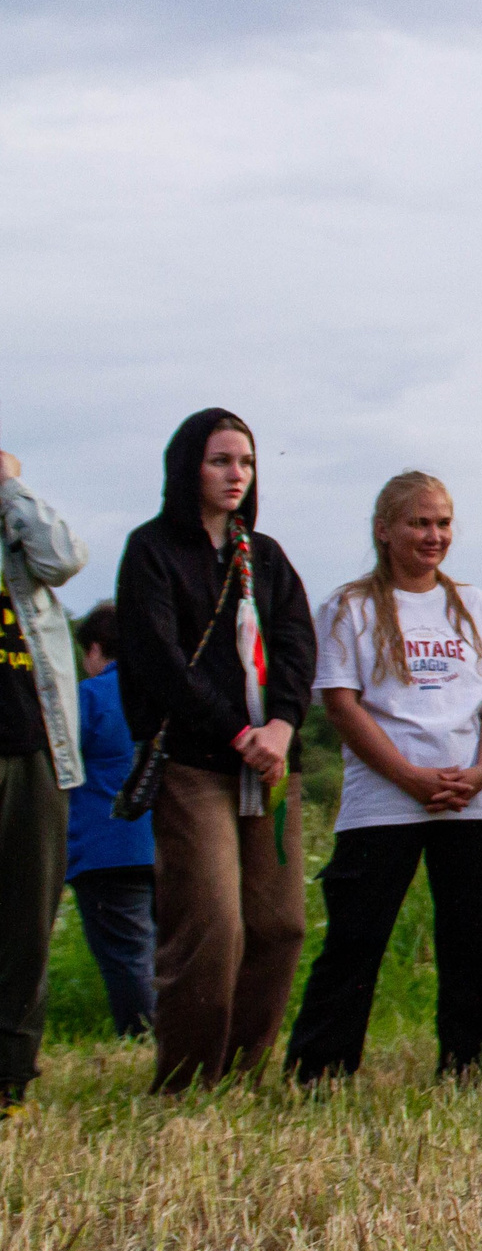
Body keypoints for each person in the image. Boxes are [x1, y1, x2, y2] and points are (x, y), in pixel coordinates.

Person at [285, 474, 482, 1083]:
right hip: (384, 800)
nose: (433, 535)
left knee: (471, 941)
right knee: (356, 939)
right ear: (384, 530)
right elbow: (341, 704)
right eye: (419, 523)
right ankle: (320, 1071)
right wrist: (408, 776)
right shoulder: (349, 607)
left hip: (471, 799)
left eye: (442, 523)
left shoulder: (474, 605)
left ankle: (471, 1066)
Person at [115, 409, 316, 1092]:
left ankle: (240, 1075)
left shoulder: (266, 556)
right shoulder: (151, 550)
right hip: (195, 763)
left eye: (247, 462)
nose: (237, 474)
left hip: (271, 764)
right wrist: (236, 730)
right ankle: (187, 1082)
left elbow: (296, 645)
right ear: (188, 467)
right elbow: (158, 658)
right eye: (220, 460)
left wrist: (281, 727)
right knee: (212, 924)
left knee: (280, 924)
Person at [0, 447, 90, 1114]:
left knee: (26, 921)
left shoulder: (16, 529)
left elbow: (65, 558)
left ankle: (9, 1077)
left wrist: (10, 488)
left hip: (33, 745)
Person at [67, 604, 152, 1040]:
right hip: (166, 842)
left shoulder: (87, 697)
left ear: (96, 649)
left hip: (105, 848)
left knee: (126, 955)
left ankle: (143, 1039)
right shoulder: (159, 692)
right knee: (166, 949)